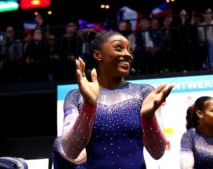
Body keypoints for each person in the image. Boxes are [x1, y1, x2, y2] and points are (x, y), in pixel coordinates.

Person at [57, 29, 174, 168]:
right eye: (118, 48)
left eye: (130, 50)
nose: (127, 54)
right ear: (97, 55)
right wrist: (89, 106)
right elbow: (71, 151)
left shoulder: (144, 92)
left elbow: (157, 152)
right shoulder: (76, 96)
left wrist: (148, 119)